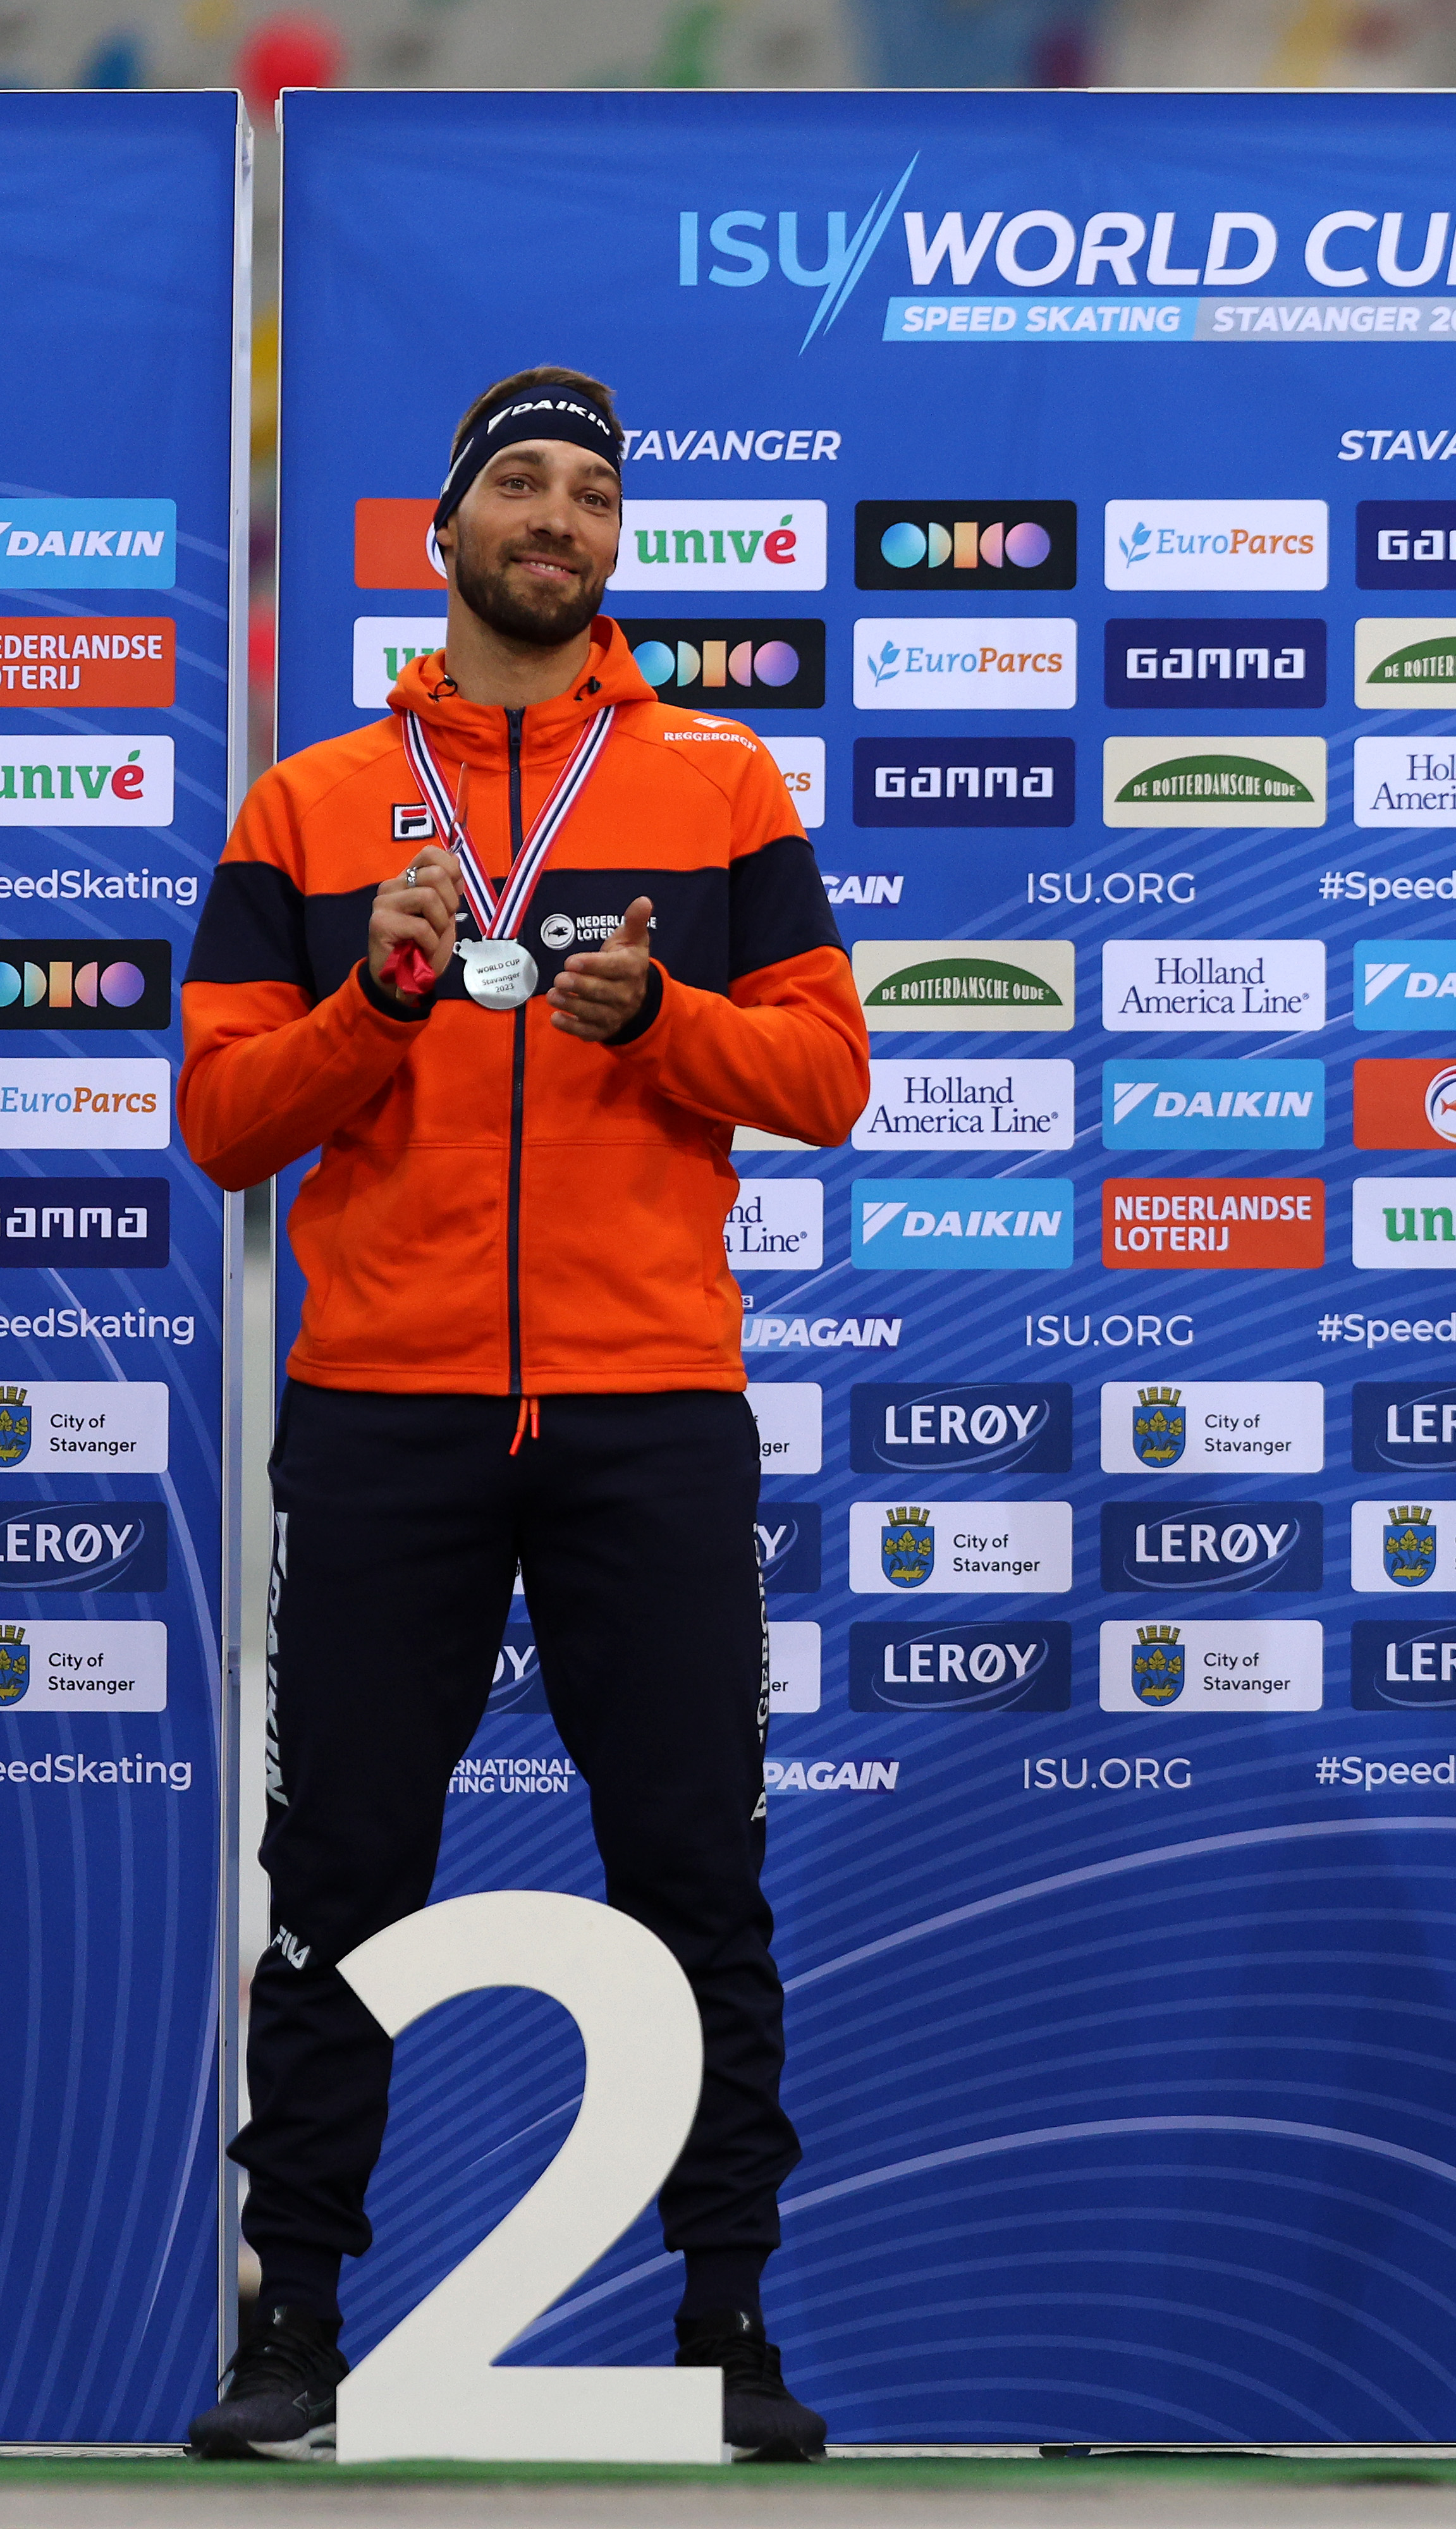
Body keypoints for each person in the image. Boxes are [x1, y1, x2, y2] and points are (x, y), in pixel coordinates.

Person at [176, 367, 866, 2462]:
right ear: (447, 531)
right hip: (385, 1410)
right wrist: (373, 1003)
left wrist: (661, 1019)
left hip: (649, 1404)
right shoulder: (307, 805)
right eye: (522, 488)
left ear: (616, 545)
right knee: (342, 1870)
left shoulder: (724, 785)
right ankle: (293, 2323)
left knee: (696, 1868)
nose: (558, 520)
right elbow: (219, 1122)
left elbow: (829, 1078)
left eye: (592, 493)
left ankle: (729, 2326)